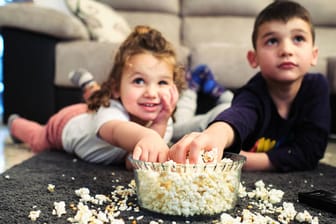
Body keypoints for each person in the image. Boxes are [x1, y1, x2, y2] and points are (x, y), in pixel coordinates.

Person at [168, 0, 331, 172]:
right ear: (254, 59)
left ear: (314, 55)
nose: (286, 50)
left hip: (234, 105)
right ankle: (192, 87)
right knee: (177, 128)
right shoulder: (252, 94)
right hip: (217, 118)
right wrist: (217, 134)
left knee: (231, 102)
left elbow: (309, 152)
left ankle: (219, 92)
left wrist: (242, 160)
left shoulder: (317, 87)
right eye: (272, 41)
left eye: (298, 38)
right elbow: (241, 114)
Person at [8, 25, 186, 167]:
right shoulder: (111, 114)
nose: (152, 93)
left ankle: (91, 87)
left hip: (96, 111)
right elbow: (116, 131)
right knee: (39, 138)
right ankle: (15, 124)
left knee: (99, 99)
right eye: (139, 81)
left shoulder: (164, 121)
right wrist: (148, 136)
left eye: (162, 83)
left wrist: (159, 124)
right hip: (66, 124)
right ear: (116, 87)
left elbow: (133, 163)